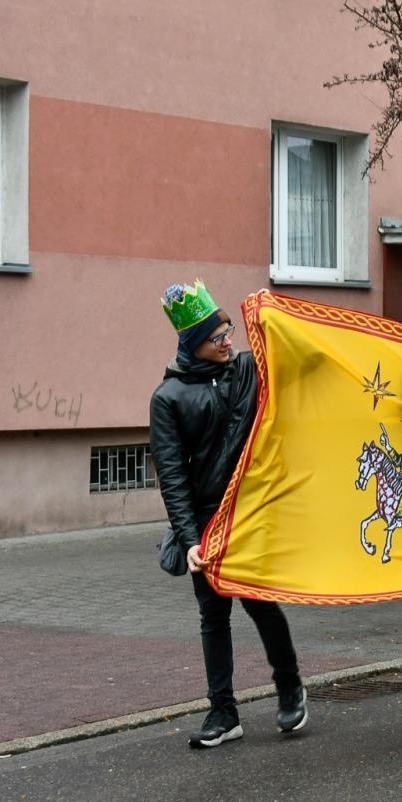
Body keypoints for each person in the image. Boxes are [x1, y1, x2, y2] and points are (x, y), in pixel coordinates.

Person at [150, 281, 308, 748]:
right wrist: (190, 538)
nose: (228, 341)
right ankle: (223, 712)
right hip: (206, 522)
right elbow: (172, 475)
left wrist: (271, 313)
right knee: (213, 615)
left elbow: (296, 351)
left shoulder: (247, 369)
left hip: (252, 511)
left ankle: (290, 687)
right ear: (193, 344)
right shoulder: (168, 398)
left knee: (260, 603)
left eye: (228, 331)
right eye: (218, 337)